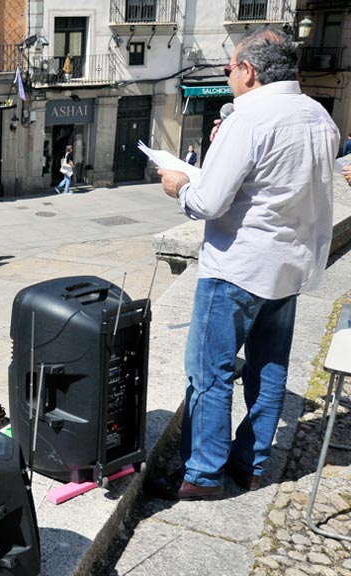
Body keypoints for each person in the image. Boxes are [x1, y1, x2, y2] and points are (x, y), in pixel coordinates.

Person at [150, 28, 340, 501]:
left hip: (238, 267)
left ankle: (203, 474)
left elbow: (210, 202)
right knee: (269, 369)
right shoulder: (320, 115)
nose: (227, 75)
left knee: (208, 372)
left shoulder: (250, 118)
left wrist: (180, 186)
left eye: (230, 68)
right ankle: (251, 464)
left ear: (249, 71)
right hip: (291, 267)